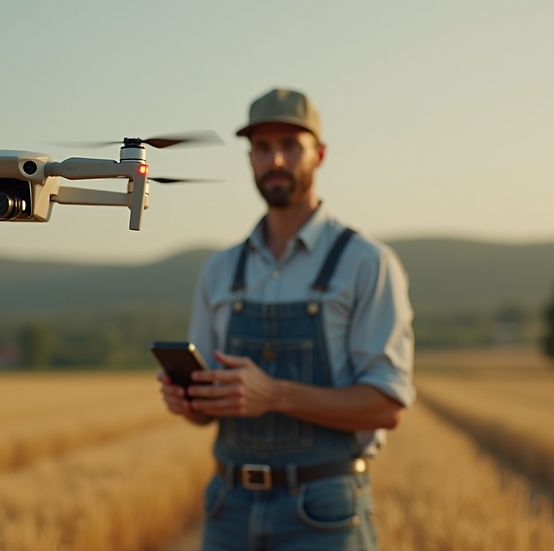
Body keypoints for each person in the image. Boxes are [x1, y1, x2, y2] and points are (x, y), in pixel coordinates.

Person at [158, 88, 415, 551]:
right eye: (261, 147)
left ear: (319, 154)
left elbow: (386, 406)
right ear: (249, 158)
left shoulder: (367, 264)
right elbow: (206, 413)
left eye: (290, 146)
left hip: (324, 513)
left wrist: (274, 394)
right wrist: (190, 401)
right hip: (227, 509)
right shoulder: (219, 270)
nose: (275, 159)